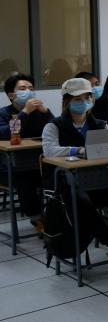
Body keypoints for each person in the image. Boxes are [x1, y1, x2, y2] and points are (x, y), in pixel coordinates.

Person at [41, 78, 108, 259]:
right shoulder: (54, 126)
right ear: (67, 102)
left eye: (87, 98)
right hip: (66, 186)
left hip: (97, 180)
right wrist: (77, 150)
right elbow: (49, 151)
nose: (84, 102)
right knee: (81, 201)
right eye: (77, 99)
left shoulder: (99, 124)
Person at [0, 74, 54, 230]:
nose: (28, 92)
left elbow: (56, 129)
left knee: (60, 176)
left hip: (39, 162)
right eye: (23, 89)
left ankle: (57, 215)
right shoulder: (3, 113)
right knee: (25, 180)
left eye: (31, 88)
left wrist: (46, 112)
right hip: (10, 166)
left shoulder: (39, 112)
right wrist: (24, 113)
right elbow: (3, 134)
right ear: (11, 95)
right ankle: (37, 218)